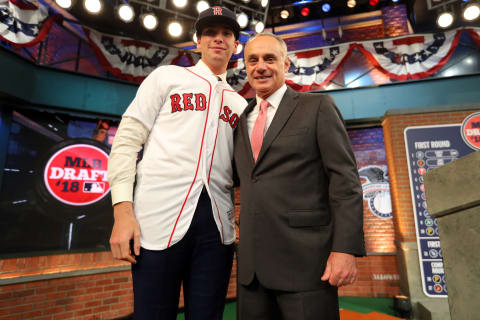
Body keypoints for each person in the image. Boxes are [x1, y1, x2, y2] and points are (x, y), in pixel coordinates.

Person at [107, 6, 247, 320]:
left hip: (217, 227)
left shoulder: (239, 104)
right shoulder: (167, 76)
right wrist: (122, 212)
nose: (218, 39)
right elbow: (128, 140)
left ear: (236, 46)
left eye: (226, 34)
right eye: (211, 32)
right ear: (197, 41)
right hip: (157, 219)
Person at [233, 32, 365, 320]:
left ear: (286, 64)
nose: (261, 66)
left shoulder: (317, 107)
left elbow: (346, 183)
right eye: (252, 60)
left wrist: (345, 248)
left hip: (307, 266)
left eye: (270, 58)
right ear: (245, 67)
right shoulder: (241, 120)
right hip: (252, 272)